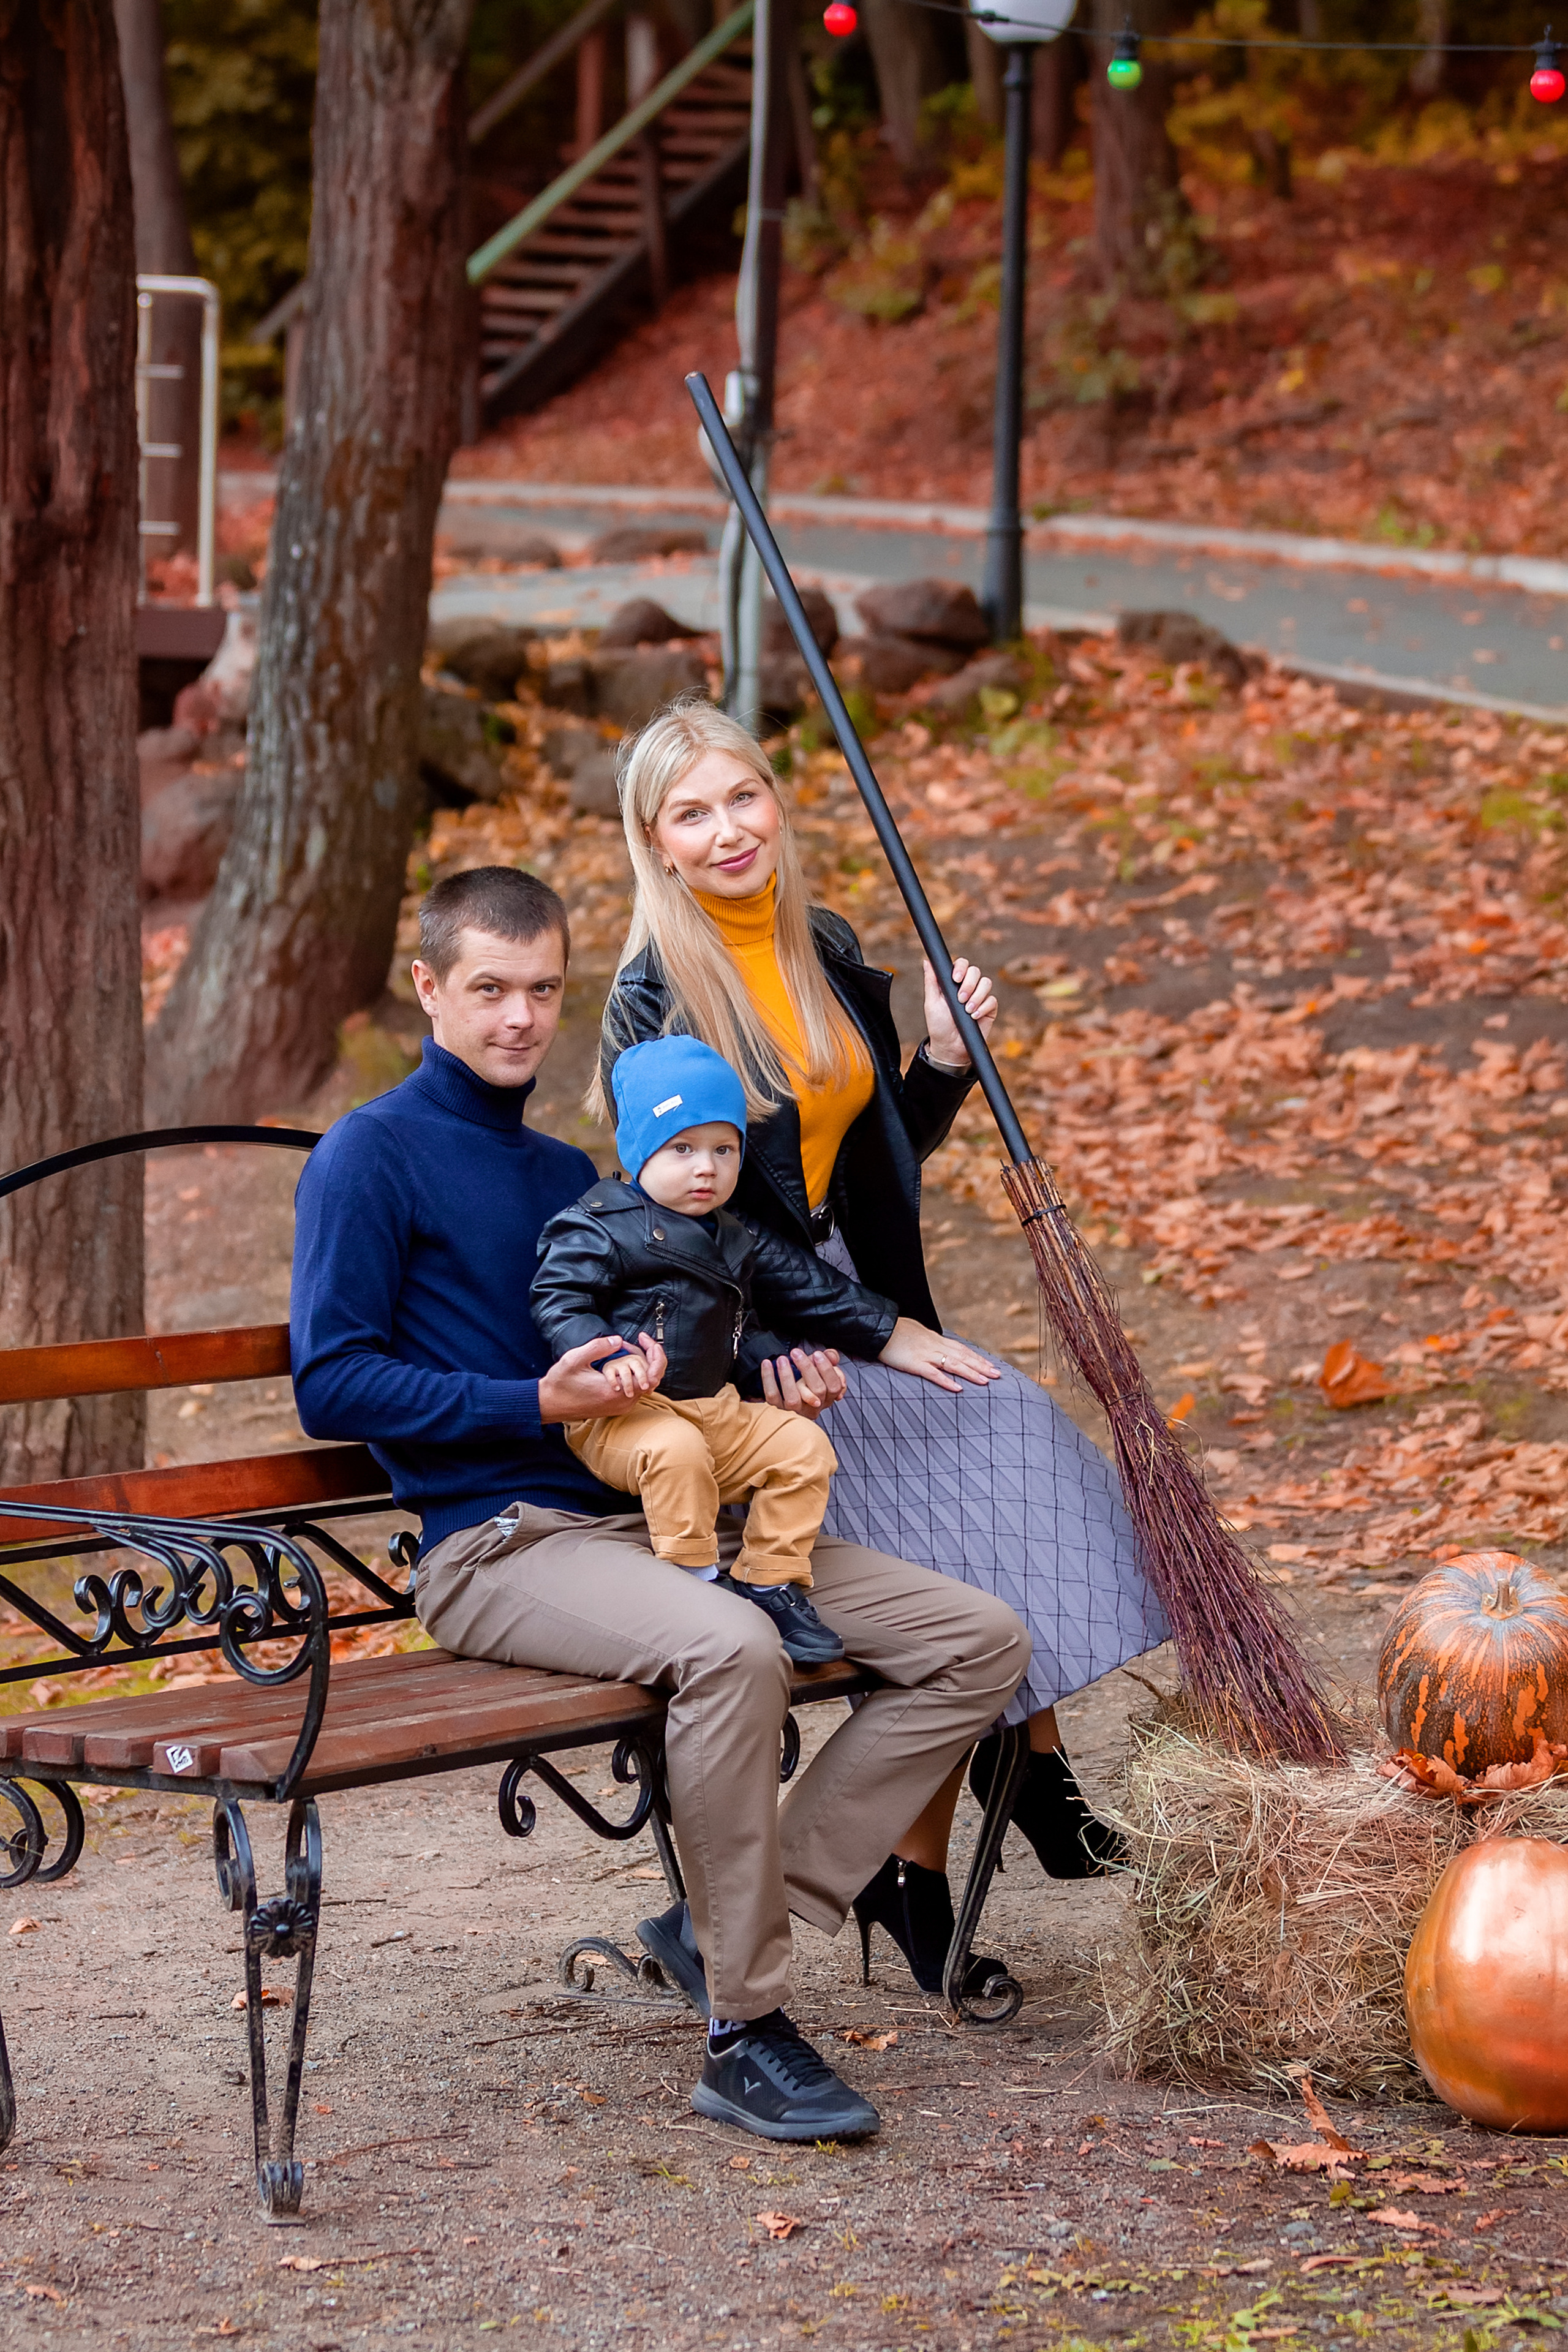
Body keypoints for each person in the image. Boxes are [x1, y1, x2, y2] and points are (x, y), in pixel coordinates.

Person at [290, 862, 1030, 2144]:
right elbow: (332, 1379)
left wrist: (765, 1375)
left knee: (977, 1641)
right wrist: (536, 1404)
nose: (519, 1017)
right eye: (488, 990)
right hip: (502, 1541)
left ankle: (718, 1927)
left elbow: (677, 1340)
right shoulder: (371, 1155)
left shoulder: (573, 1168)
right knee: (732, 1641)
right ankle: (747, 2031)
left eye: (540, 990)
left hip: (660, 1507)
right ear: (429, 990)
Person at [595, 699, 1169, 1996]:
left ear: (774, 803)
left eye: (741, 797)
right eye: (692, 813)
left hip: (864, 1311)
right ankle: (981, 1817)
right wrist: (866, 1337)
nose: (726, 829)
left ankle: (995, 1795)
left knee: (1018, 1450)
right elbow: (704, 1222)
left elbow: (866, 1170)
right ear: (656, 843)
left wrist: (938, 1061)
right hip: (762, 1344)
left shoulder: (820, 947)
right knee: (938, 1534)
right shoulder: (651, 1004)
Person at [532, 1031, 901, 1667]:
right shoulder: (598, 1224)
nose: (705, 1167)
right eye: (682, 1148)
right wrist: (605, 1354)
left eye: (723, 1149)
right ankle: (695, 1584)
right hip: (624, 1415)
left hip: (715, 1411)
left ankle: (770, 1578)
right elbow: (558, 1299)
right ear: (639, 1151)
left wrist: (778, 1362)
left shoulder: (732, 1237)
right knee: (673, 1449)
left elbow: (742, 1321)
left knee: (802, 1447)